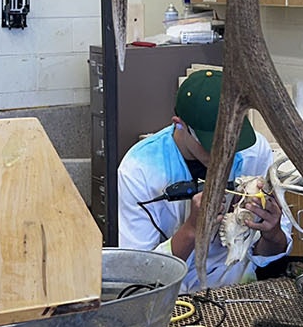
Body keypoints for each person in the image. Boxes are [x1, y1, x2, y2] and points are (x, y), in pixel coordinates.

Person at [117, 68, 292, 290]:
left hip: (239, 290)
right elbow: (139, 276)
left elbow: (269, 256)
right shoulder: (139, 169)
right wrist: (192, 229)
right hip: (174, 295)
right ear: (179, 124)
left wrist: (272, 233)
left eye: (232, 142)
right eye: (213, 144)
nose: (225, 154)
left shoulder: (254, 150)